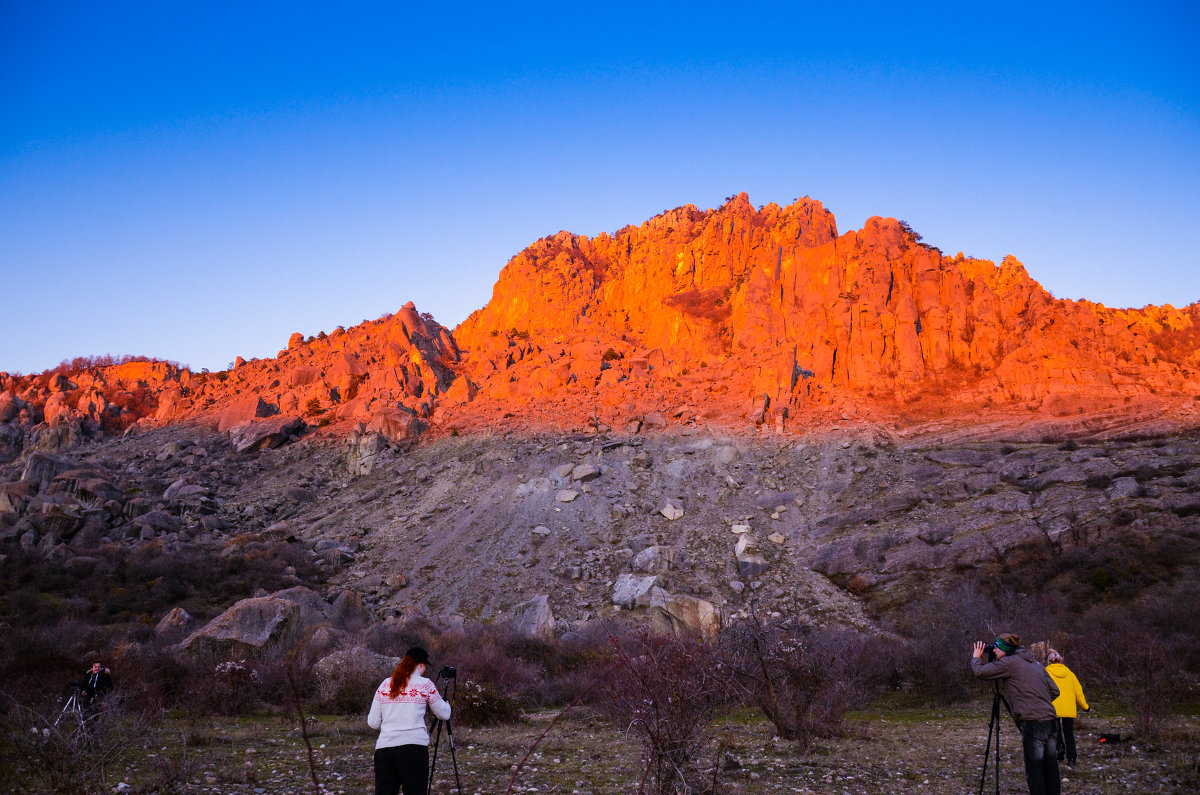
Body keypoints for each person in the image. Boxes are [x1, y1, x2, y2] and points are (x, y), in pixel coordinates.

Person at [972, 634, 1061, 795]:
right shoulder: (1037, 664)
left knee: (1035, 772)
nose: (995, 650)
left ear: (1005, 650)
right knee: (1051, 769)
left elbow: (979, 672)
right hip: (1052, 721)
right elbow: (1055, 691)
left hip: (1033, 724)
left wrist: (976, 657)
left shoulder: (1009, 663)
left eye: (997, 647)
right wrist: (1039, 701)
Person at [367, 646, 451, 795]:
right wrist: (447, 704)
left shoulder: (385, 684)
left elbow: (373, 722)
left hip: (385, 750)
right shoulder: (425, 684)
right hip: (414, 750)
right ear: (421, 664)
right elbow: (444, 714)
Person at [1045, 649, 1089, 768]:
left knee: (1055, 730)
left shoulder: (1045, 672)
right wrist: (1085, 707)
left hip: (1052, 708)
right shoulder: (1070, 674)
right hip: (1068, 709)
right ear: (1061, 661)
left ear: (1049, 661)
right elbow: (1078, 692)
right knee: (1069, 733)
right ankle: (1072, 758)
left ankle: (1060, 749)